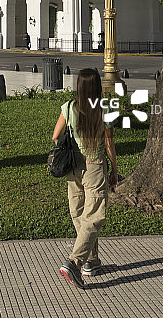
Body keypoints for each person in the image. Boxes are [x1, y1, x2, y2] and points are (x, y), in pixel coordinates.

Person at [52, 67, 119, 288]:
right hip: (95, 167)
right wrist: (115, 170)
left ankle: (91, 261)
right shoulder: (104, 108)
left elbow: (55, 136)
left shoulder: (69, 107)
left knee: (80, 213)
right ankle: (75, 262)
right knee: (95, 216)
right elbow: (108, 143)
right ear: (97, 86)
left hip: (74, 167)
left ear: (79, 86)